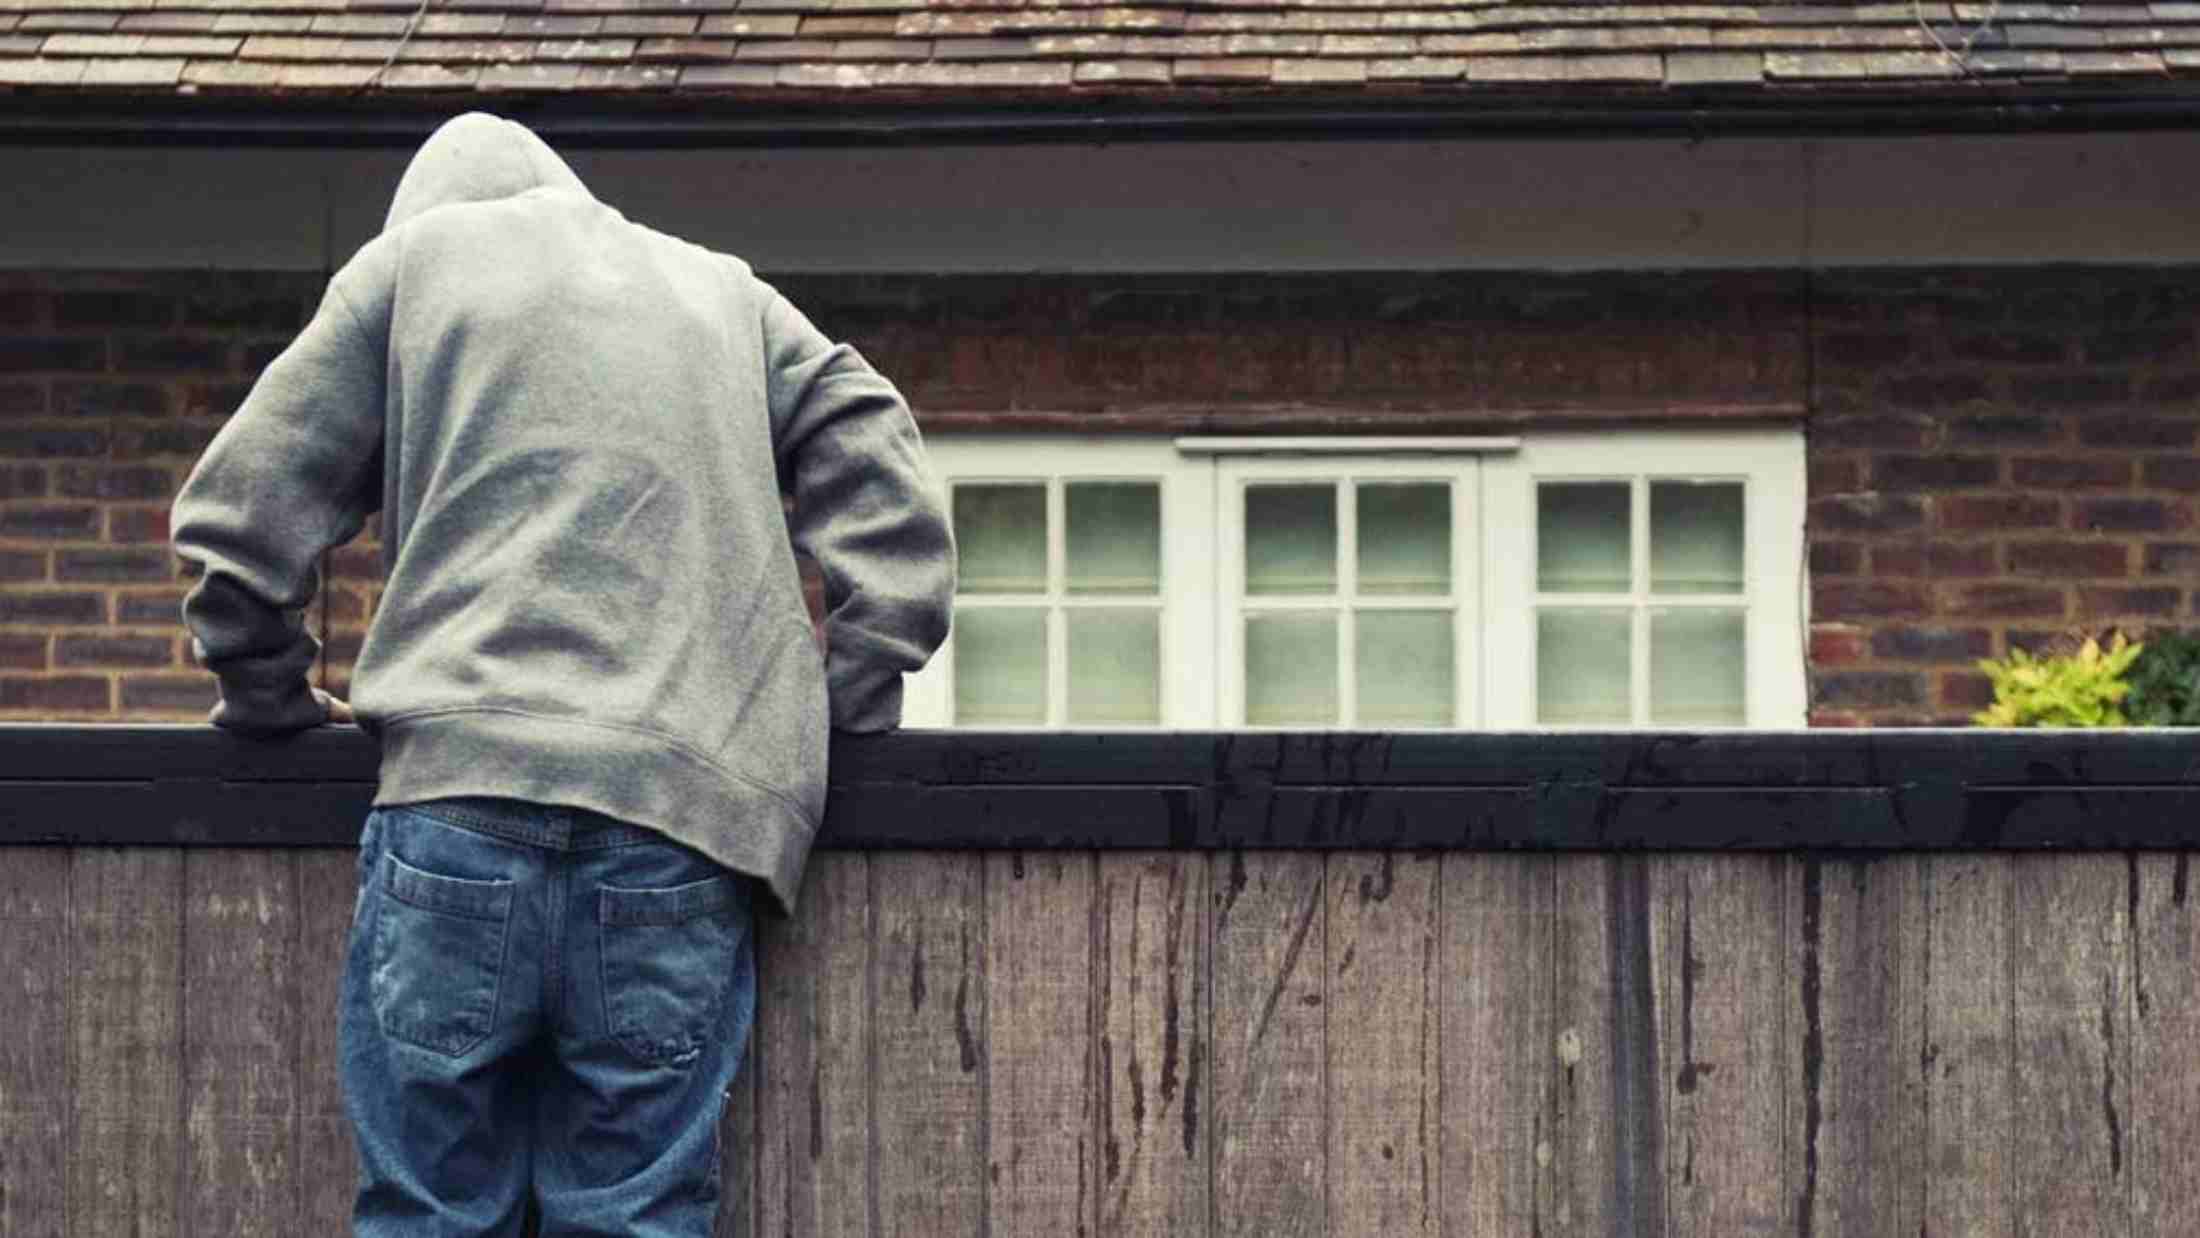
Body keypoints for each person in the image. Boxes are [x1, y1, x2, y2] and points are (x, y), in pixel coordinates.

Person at [171, 112, 956, 1237]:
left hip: (458, 816)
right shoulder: (725, 292)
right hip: (680, 827)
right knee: (635, 1214)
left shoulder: (414, 267)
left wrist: (266, 693)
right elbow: (873, 441)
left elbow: (236, 530)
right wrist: (853, 694)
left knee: (429, 1213)